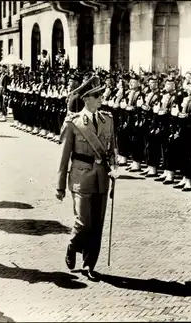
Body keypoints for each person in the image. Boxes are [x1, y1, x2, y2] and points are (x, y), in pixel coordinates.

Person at [56, 75, 118, 281]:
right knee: (83, 222)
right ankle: (73, 246)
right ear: (86, 99)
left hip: (102, 178)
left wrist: (114, 167)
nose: (102, 98)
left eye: (101, 95)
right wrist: (60, 186)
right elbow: (64, 156)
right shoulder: (73, 123)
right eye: (97, 96)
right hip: (80, 177)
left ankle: (90, 264)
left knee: (97, 225)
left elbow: (112, 149)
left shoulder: (107, 119)